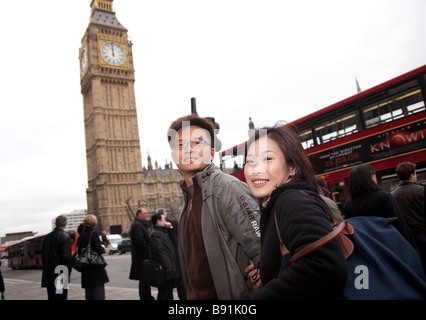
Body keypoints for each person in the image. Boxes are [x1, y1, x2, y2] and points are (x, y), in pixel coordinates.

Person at [243, 124, 347, 299]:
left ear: (292, 168)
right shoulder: (274, 205)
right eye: (250, 161)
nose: (255, 169)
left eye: (267, 159)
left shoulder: (291, 200)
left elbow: (325, 267)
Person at [167, 114, 261, 300]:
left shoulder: (228, 189)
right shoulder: (189, 198)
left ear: (211, 153)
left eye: (197, 143)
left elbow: (261, 247)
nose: (189, 150)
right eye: (180, 145)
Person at [343, 163, 416, 247]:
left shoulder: (348, 204)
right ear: (370, 178)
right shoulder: (383, 197)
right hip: (390, 243)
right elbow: (400, 224)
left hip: (369, 247)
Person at [391, 161, 426, 271]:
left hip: (407, 239)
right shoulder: (421, 190)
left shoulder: (393, 195)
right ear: (412, 175)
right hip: (423, 234)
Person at [76, 214, 109, 300]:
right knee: (98, 295)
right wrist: (102, 246)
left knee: (89, 296)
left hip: (86, 271)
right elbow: (100, 250)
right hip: (95, 269)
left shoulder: (80, 237)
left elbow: (80, 253)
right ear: (94, 223)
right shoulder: (93, 233)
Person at [149, 212, 180, 300]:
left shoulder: (162, 232)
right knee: (165, 293)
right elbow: (160, 251)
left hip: (170, 268)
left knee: (168, 292)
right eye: (164, 219)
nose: (166, 221)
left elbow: (174, 240)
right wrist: (168, 265)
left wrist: (170, 227)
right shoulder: (155, 234)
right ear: (158, 222)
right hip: (165, 269)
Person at [156, 208, 185, 299]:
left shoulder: (157, 227)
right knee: (181, 284)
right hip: (176, 258)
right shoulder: (174, 223)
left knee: (166, 288)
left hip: (168, 261)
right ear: (166, 214)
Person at [41, 215, 72, 300]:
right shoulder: (65, 237)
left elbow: (44, 256)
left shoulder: (47, 238)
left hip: (49, 273)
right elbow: (66, 258)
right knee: (61, 296)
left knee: (52, 296)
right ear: (65, 223)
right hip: (61, 273)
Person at [129, 207, 154, 300]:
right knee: (143, 280)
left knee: (145, 280)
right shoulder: (136, 225)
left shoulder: (140, 224)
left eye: (147, 213)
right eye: (145, 213)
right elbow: (140, 242)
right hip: (141, 258)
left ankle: (147, 296)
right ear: (139, 214)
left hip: (143, 258)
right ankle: (145, 297)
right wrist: (149, 248)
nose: (147, 214)